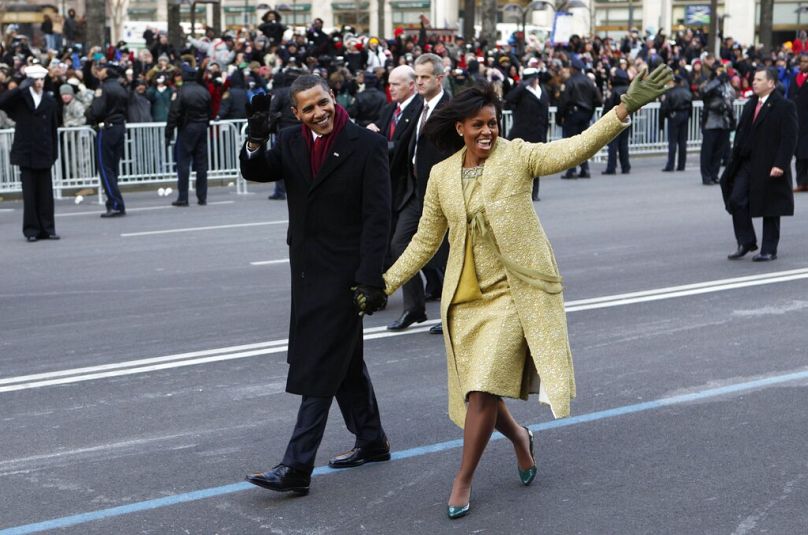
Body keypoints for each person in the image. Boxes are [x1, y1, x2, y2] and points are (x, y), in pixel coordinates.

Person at [384, 68, 672, 519]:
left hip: (514, 294)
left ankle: (462, 479)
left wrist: (624, 109)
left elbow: (574, 147)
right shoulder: (441, 175)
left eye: (492, 123)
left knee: (481, 387)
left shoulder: (517, 156)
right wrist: (383, 284)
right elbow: (424, 241)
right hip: (465, 299)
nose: (487, 131)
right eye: (477, 124)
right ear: (460, 128)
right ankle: (519, 436)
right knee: (484, 385)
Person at [239, 75, 392, 495]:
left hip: (346, 276)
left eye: (322, 103)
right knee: (344, 361)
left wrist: (370, 278)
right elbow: (255, 170)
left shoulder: (367, 144)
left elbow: (378, 218)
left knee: (322, 362)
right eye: (308, 109)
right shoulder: (290, 140)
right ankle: (373, 440)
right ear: (295, 114)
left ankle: (296, 465)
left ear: (333, 98)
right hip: (306, 270)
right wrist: (254, 136)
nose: (319, 113)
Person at [387, 53, 452, 333]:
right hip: (415, 191)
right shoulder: (417, 108)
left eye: (425, 77)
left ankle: (452, 313)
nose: (419, 82)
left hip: (443, 193)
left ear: (439, 78)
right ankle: (413, 308)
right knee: (400, 245)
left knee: (450, 255)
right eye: (417, 77)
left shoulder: (451, 110)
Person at [721, 67, 798, 262]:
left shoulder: (784, 106)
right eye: (754, 79)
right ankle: (746, 241)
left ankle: (769, 249)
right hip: (746, 162)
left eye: (759, 79)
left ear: (771, 83)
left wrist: (781, 163)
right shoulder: (750, 104)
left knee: (770, 206)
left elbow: (789, 138)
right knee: (736, 199)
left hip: (769, 163)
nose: (754, 82)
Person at [0, 64, 60, 241]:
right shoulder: (21, 98)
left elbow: (53, 128)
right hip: (26, 152)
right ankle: (31, 230)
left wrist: (54, 152)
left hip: (43, 151)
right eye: (36, 80)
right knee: (30, 194)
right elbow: (2, 102)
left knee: (46, 195)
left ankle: (48, 229)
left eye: (42, 79)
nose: (40, 83)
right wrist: (20, 88)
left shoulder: (49, 100)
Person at [368, 65, 422, 242]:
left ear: (412, 85)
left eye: (396, 84)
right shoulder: (389, 109)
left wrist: (379, 142)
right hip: (386, 182)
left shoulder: (420, 108)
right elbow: (379, 132)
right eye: (389, 84)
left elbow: (404, 145)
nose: (391, 88)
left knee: (399, 244)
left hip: (406, 185)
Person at [86, 61, 128, 217]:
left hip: (107, 128)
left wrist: (88, 114)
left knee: (105, 168)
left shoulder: (103, 88)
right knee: (113, 168)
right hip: (118, 127)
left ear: (108, 72)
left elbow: (96, 111)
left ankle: (116, 203)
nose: (99, 71)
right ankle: (113, 202)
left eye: (102, 69)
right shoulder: (120, 88)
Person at [166, 64, 212, 207]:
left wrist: (168, 133)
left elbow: (174, 113)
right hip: (202, 127)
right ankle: (202, 197)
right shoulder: (204, 91)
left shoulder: (181, 92)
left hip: (187, 128)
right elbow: (210, 110)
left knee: (183, 164)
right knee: (201, 164)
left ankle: (183, 197)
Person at [504, 67, 549, 200]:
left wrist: (544, 135)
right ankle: (517, 191)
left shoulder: (542, 92)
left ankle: (534, 192)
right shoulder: (521, 92)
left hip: (538, 133)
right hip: (521, 133)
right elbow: (508, 100)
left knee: (535, 164)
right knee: (519, 165)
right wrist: (521, 86)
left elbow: (545, 116)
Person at [558, 56, 602, 179]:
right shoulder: (589, 81)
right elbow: (598, 100)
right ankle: (585, 168)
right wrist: (590, 112)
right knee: (583, 143)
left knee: (572, 143)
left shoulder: (570, 82)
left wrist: (559, 116)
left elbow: (564, 101)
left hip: (572, 115)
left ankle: (572, 171)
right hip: (585, 115)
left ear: (573, 68)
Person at [699, 65, 735, 185]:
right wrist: (717, 80)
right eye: (719, 72)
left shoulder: (727, 86)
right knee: (708, 151)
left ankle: (714, 175)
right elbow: (704, 91)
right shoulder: (709, 83)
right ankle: (706, 176)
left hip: (724, 122)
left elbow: (732, 97)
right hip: (710, 122)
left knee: (719, 151)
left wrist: (733, 120)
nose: (722, 74)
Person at [601, 68, 632, 175]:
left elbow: (608, 107)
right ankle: (626, 166)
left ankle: (611, 167)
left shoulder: (614, 91)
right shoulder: (629, 90)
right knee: (624, 144)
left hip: (614, 120)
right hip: (626, 118)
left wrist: (603, 118)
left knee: (613, 145)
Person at [660, 74, 693, 172]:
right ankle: (681, 165)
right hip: (685, 115)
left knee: (673, 141)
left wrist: (666, 116)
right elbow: (691, 106)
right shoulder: (687, 92)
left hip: (674, 116)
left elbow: (665, 107)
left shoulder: (670, 92)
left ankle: (670, 165)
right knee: (682, 142)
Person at [787, 53, 808, 192]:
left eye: (806, 62)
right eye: (802, 61)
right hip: (797, 120)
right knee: (799, 153)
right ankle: (801, 182)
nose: (803, 64)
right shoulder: (795, 78)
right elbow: (789, 96)